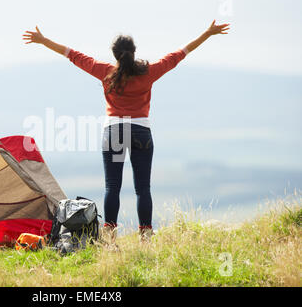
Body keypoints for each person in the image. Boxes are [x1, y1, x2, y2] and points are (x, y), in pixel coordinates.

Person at [23, 20, 229, 243]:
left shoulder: (105, 72)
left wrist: (43, 41)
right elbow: (180, 54)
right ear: (134, 52)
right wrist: (207, 33)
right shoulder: (149, 72)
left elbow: (72, 54)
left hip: (114, 131)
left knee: (112, 187)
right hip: (141, 131)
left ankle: (110, 236)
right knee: (143, 188)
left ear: (114, 54)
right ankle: (146, 235)